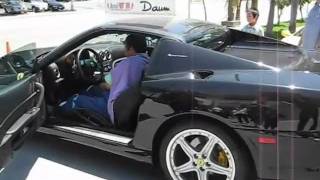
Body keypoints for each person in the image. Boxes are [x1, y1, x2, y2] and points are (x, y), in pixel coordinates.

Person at [60, 34, 150, 124]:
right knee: (92, 89)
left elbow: (108, 85)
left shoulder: (128, 64)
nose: (124, 49)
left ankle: (56, 112)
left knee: (76, 100)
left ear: (130, 48)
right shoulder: (147, 61)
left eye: (125, 46)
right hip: (129, 101)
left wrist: (101, 83)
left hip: (116, 107)